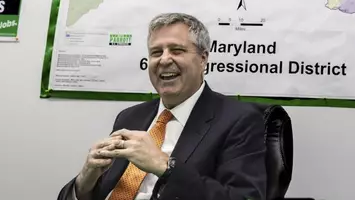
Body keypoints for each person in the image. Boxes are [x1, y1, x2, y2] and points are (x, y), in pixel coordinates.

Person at [57, 12, 268, 200]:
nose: (164, 60)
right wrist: (86, 179)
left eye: (177, 50)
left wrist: (164, 167)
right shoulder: (130, 117)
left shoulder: (239, 119)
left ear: (203, 59)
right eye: (156, 52)